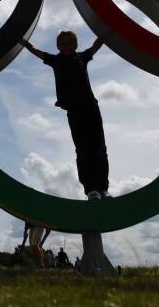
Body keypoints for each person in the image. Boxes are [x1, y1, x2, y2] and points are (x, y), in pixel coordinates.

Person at [21, 31, 109, 198]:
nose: (66, 46)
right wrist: (23, 41)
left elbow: (96, 45)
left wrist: (107, 28)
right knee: (83, 149)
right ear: (57, 46)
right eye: (62, 43)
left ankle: (103, 188)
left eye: (70, 42)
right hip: (74, 111)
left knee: (99, 148)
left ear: (75, 44)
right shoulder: (55, 60)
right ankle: (91, 190)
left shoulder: (82, 57)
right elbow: (35, 51)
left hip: (90, 107)